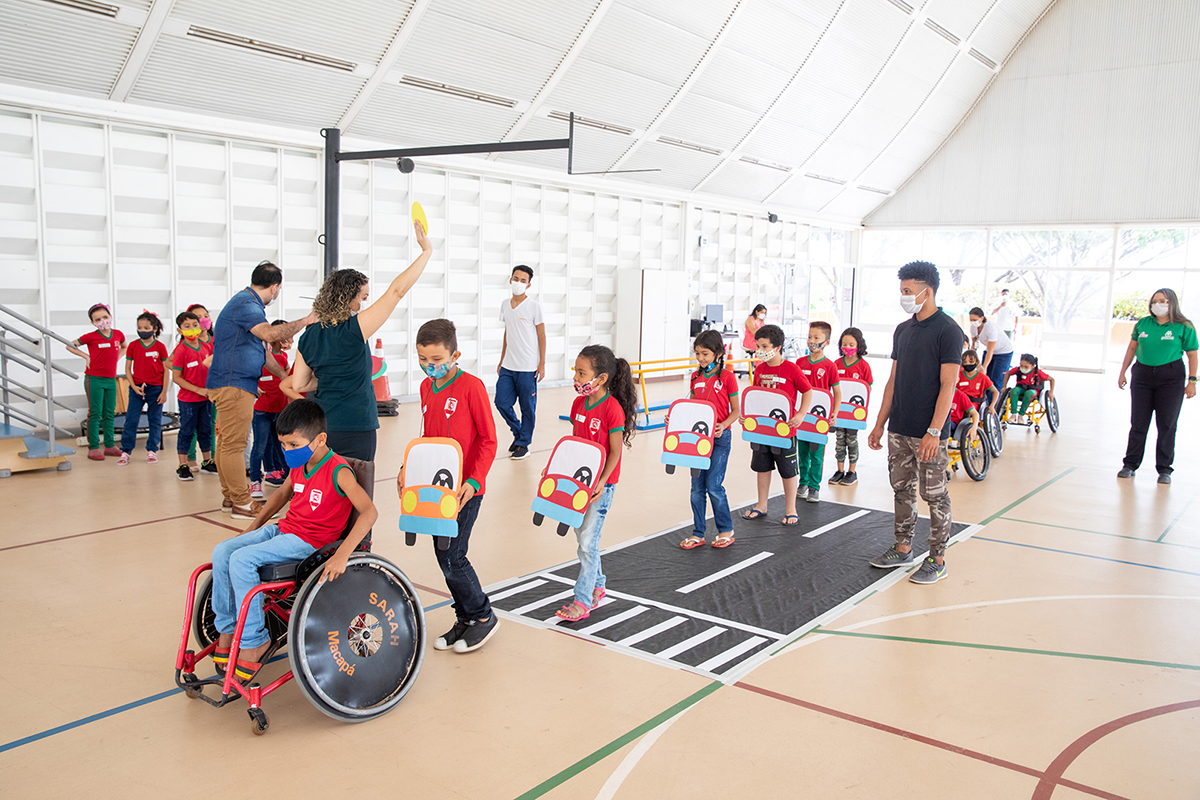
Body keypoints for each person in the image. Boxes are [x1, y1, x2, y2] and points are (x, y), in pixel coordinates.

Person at [210, 399, 377, 680]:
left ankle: (255, 641)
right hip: (286, 530)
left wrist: (342, 555)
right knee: (223, 550)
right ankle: (228, 628)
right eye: (284, 444)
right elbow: (280, 496)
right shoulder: (300, 465)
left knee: (241, 561)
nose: (287, 450)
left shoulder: (339, 471)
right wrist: (253, 528)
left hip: (311, 543)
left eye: (293, 444)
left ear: (320, 439)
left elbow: (369, 512)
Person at [286, 221, 432, 462]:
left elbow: (300, 384)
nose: (362, 305)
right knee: (356, 491)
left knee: (328, 489)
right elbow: (396, 291)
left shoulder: (308, 335)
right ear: (348, 299)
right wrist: (426, 251)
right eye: (362, 298)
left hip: (322, 425)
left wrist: (331, 375)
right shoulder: (354, 330)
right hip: (355, 424)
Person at [867, 261, 961, 585]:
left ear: (927, 291)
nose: (905, 297)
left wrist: (934, 431)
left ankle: (937, 558)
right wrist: (880, 423)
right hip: (899, 429)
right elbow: (892, 380)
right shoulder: (902, 330)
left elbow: (948, 385)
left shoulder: (948, 330)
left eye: (908, 291)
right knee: (901, 490)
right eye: (902, 291)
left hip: (929, 432)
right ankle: (903, 547)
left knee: (935, 495)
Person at [411, 319, 501, 652]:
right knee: (442, 553)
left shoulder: (472, 386)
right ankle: (464, 616)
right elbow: (427, 437)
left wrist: (474, 481)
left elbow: (489, 440)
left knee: (454, 555)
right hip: (435, 489)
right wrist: (410, 469)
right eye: (422, 359)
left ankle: (482, 615)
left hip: (465, 489)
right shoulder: (425, 388)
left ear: (455, 354)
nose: (429, 367)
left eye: (435, 360)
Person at [206, 261, 314, 519]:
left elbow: (262, 352)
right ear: (275, 287)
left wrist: (286, 377)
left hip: (231, 382)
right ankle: (242, 503)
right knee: (234, 444)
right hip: (234, 384)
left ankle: (230, 498)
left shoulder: (246, 305)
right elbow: (268, 334)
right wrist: (307, 320)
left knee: (226, 444)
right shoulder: (246, 304)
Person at [554, 345, 636, 622]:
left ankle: (583, 599)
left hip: (601, 487)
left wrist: (602, 481)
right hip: (578, 484)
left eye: (581, 373)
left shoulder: (612, 409)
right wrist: (557, 468)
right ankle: (598, 584)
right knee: (583, 537)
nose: (576, 378)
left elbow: (615, 452)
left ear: (600, 378)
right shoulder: (578, 404)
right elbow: (575, 445)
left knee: (588, 542)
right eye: (575, 371)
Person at [1118, 289, 1198, 483]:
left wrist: (1192, 381)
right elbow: (1132, 347)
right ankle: (1130, 464)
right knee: (1138, 423)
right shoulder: (1143, 323)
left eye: (1163, 301)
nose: (1158, 304)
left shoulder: (1184, 326)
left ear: (1172, 303)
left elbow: (1192, 354)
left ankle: (1164, 469)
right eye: (1155, 301)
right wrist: (1123, 371)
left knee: (1167, 425)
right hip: (1142, 376)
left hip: (1171, 377)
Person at [740, 324, 812, 526]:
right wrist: (747, 417)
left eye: (764, 346)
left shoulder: (792, 369)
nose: (760, 351)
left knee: (787, 470)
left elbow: (807, 391)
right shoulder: (760, 369)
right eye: (758, 346)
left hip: (784, 430)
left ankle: (791, 508)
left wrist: (801, 414)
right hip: (761, 430)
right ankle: (762, 505)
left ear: (778, 347)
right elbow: (755, 396)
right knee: (762, 467)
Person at [677, 330, 739, 550]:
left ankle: (725, 529)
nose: (701, 358)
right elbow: (692, 408)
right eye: (697, 354)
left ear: (718, 353)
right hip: (697, 441)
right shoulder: (695, 377)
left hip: (720, 439)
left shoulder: (728, 377)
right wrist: (675, 418)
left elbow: (736, 411)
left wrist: (724, 425)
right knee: (696, 488)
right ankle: (698, 532)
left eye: (705, 353)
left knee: (714, 486)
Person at [495, 264, 546, 461]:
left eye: (523, 280)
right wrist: (501, 360)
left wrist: (541, 364)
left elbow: (541, 335)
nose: (518, 283)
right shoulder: (505, 305)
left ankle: (524, 444)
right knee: (501, 402)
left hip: (528, 367)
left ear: (528, 285)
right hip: (508, 366)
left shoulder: (534, 307)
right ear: (510, 280)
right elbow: (508, 332)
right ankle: (518, 435)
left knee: (527, 407)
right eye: (515, 279)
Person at [67, 303, 126, 460]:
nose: (102, 321)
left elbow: (124, 346)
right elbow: (70, 346)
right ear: (93, 322)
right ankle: (93, 446)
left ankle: (109, 444)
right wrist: (86, 356)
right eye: (97, 319)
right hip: (94, 379)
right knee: (95, 413)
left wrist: (117, 358)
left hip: (110, 380)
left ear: (110, 316)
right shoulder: (91, 337)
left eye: (105, 317)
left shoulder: (118, 334)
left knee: (109, 413)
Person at [796, 321, 840, 503]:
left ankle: (814, 486)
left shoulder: (830, 366)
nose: (812, 341)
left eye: (816, 338)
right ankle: (803, 482)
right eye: (809, 337)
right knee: (802, 451)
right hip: (801, 417)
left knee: (817, 452)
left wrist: (834, 414)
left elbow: (837, 392)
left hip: (819, 418)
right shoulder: (799, 363)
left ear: (826, 342)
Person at [118, 311, 170, 464]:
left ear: (154, 329)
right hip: (137, 388)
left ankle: (152, 450)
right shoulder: (133, 345)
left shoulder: (160, 347)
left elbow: (167, 370)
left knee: (155, 420)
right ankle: (126, 451)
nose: (142, 330)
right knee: (131, 420)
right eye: (139, 327)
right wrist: (133, 386)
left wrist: (164, 391)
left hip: (156, 388)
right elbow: (128, 368)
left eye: (146, 328)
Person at [170, 312, 218, 482]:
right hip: (188, 400)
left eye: (195, 325)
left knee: (206, 430)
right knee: (187, 432)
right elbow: (176, 377)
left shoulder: (207, 347)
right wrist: (197, 390)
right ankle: (183, 465)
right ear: (180, 330)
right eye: (187, 326)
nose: (192, 329)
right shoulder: (181, 349)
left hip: (206, 398)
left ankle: (207, 461)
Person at [249, 320, 291, 499]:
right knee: (259, 447)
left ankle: (290, 482)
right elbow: (250, 375)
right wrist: (254, 387)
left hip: (280, 410)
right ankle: (255, 482)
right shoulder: (257, 359)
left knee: (283, 446)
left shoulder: (282, 359)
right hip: (261, 412)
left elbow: (288, 377)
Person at [830, 327, 873, 486]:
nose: (847, 347)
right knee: (839, 440)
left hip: (854, 414)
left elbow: (867, 389)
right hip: (838, 411)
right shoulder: (836, 364)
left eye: (851, 344)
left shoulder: (863, 366)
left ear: (859, 345)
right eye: (844, 344)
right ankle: (839, 470)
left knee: (852, 441)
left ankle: (852, 471)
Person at [969, 306, 1015, 391]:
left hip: (1003, 352)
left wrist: (984, 367)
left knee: (996, 379)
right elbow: (974, 345)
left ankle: (995, 403)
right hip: (989, 351)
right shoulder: (973, 328)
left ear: (982, 318)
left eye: (975, 320)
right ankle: (984, 401)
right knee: (985, 378)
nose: (973, 322)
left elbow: (990, 350)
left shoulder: (990, 327)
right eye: (971, 320)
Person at [1001, 354, 1055, 424]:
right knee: (1014, 390)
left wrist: (1051, 392)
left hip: (1033, 391)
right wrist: (1004, 386)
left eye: (1026, 367)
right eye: (1021, 366)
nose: (1023, 368)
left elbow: (1052, 379)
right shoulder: (1018, 369)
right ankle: (1013, 414)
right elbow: (1008, 373)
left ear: (1033, 365)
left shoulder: (1038, 372)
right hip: (1021, 389)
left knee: (1028, 393)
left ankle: (1021, 415)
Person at [957, 349, 1000, 414]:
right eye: (965, 362)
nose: (967, 364)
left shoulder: (982, 377)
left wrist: (992, 406)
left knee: (968, 410)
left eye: (971, 362)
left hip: (973, 404)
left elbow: (995, 392)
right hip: (958, 403)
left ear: (977, 362)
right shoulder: (958, 376)